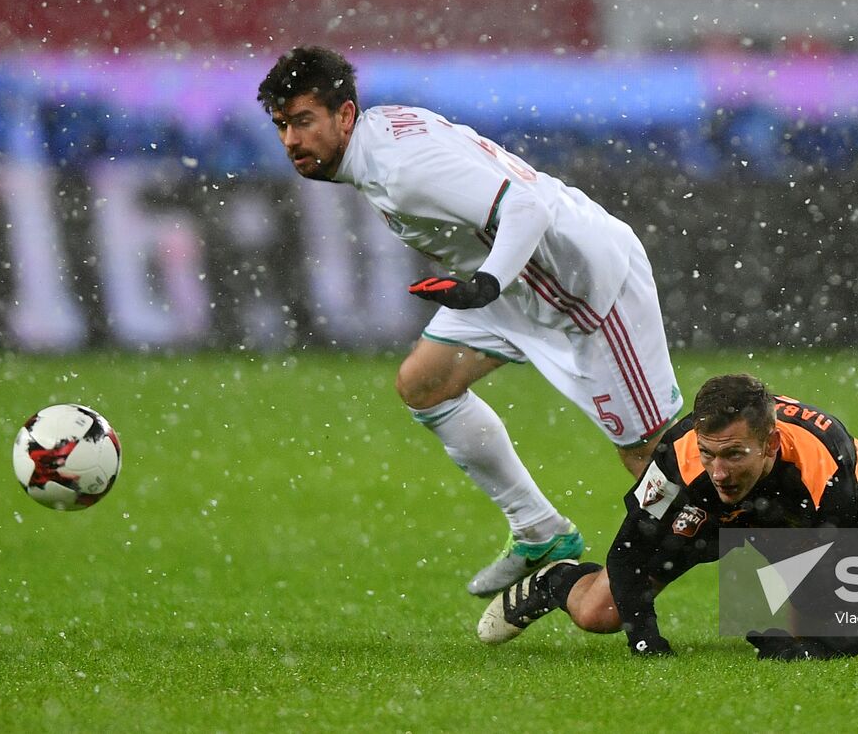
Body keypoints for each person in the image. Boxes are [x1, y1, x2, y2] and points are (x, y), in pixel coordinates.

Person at [257, 46, 682, 595]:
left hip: (584, 290)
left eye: (304, 121)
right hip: (516, 289)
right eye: (282, 125)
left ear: (345, 114)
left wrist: (485, 282)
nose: (291, 141)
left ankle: (802, 586)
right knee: (424, 383)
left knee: (659, 464)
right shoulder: (379, 138)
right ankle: (539, 531)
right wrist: (490, 283)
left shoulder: (401, 169)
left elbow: (526, 205)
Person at [475, 373, 858, 660]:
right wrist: (646, 642)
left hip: (786, 524)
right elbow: (627, 552)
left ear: (770, 443)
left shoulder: (825, 465)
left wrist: (789, 638)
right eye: (709, 453)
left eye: (734, 454)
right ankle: (556, 580)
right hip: (705, 521)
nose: (718, 473)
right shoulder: (679, 457)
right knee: (599, 615)